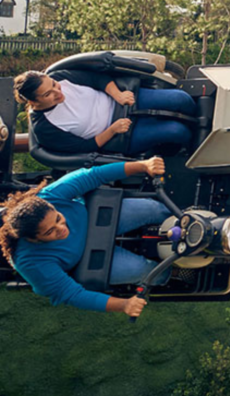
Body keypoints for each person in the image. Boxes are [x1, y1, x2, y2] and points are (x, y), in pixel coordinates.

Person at [0, 157, 172, 318]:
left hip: (94, 218)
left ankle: (186, 219)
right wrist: (124, 305)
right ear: (33, 240)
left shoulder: (50, 196)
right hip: (87, 258)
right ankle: (176, 273)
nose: (61, 228)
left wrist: (143, 165)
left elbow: (94, 175)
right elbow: (71, 294)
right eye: (49, 232)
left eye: (58, 218)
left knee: (153, 209)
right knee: (144, 271)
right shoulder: (30, 262)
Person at [15, 70, 197, 157]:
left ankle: (207, 124)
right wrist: (112, 130)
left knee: (180, 99)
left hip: (121, 100)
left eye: (54, 84)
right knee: (176, 131)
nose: (58, 92)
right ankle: (189, 150)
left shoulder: (61, 76)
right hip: (118, 135)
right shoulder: (45, 128)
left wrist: (118, 95)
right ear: (34, 102)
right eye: (48, 94)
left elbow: (96, 77)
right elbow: (83, 148)